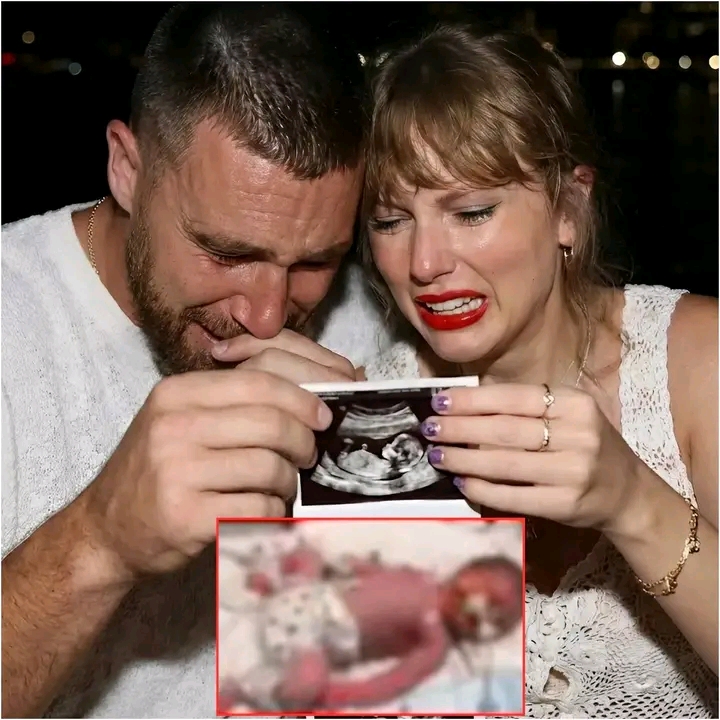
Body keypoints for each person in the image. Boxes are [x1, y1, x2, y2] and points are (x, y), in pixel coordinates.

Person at [1, 4, 385, 718]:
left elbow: (406, 681)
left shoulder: (371, 331)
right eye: (227, 253)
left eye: (315, 262)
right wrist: (100, 541)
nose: (266, 314)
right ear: (127, 169)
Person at [354, 23, 719, 719]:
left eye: (471, 212)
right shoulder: (375, 411)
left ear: (568, 209)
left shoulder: (695, 361)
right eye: (390, 221)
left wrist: (633, 501)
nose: (425, 263)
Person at [220, 542, 522, 713]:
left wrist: (336, 694)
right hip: (311, 592)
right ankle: (270, 582)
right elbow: (386, 575)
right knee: (307, 553)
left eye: (500, 624)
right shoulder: (424, 578)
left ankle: (249, 688)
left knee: (306, 685)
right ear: (469, 573)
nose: (490, 619)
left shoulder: (436, 642)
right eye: (494, 601)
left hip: (311, 639)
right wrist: (358, 567)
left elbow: (390, 683)